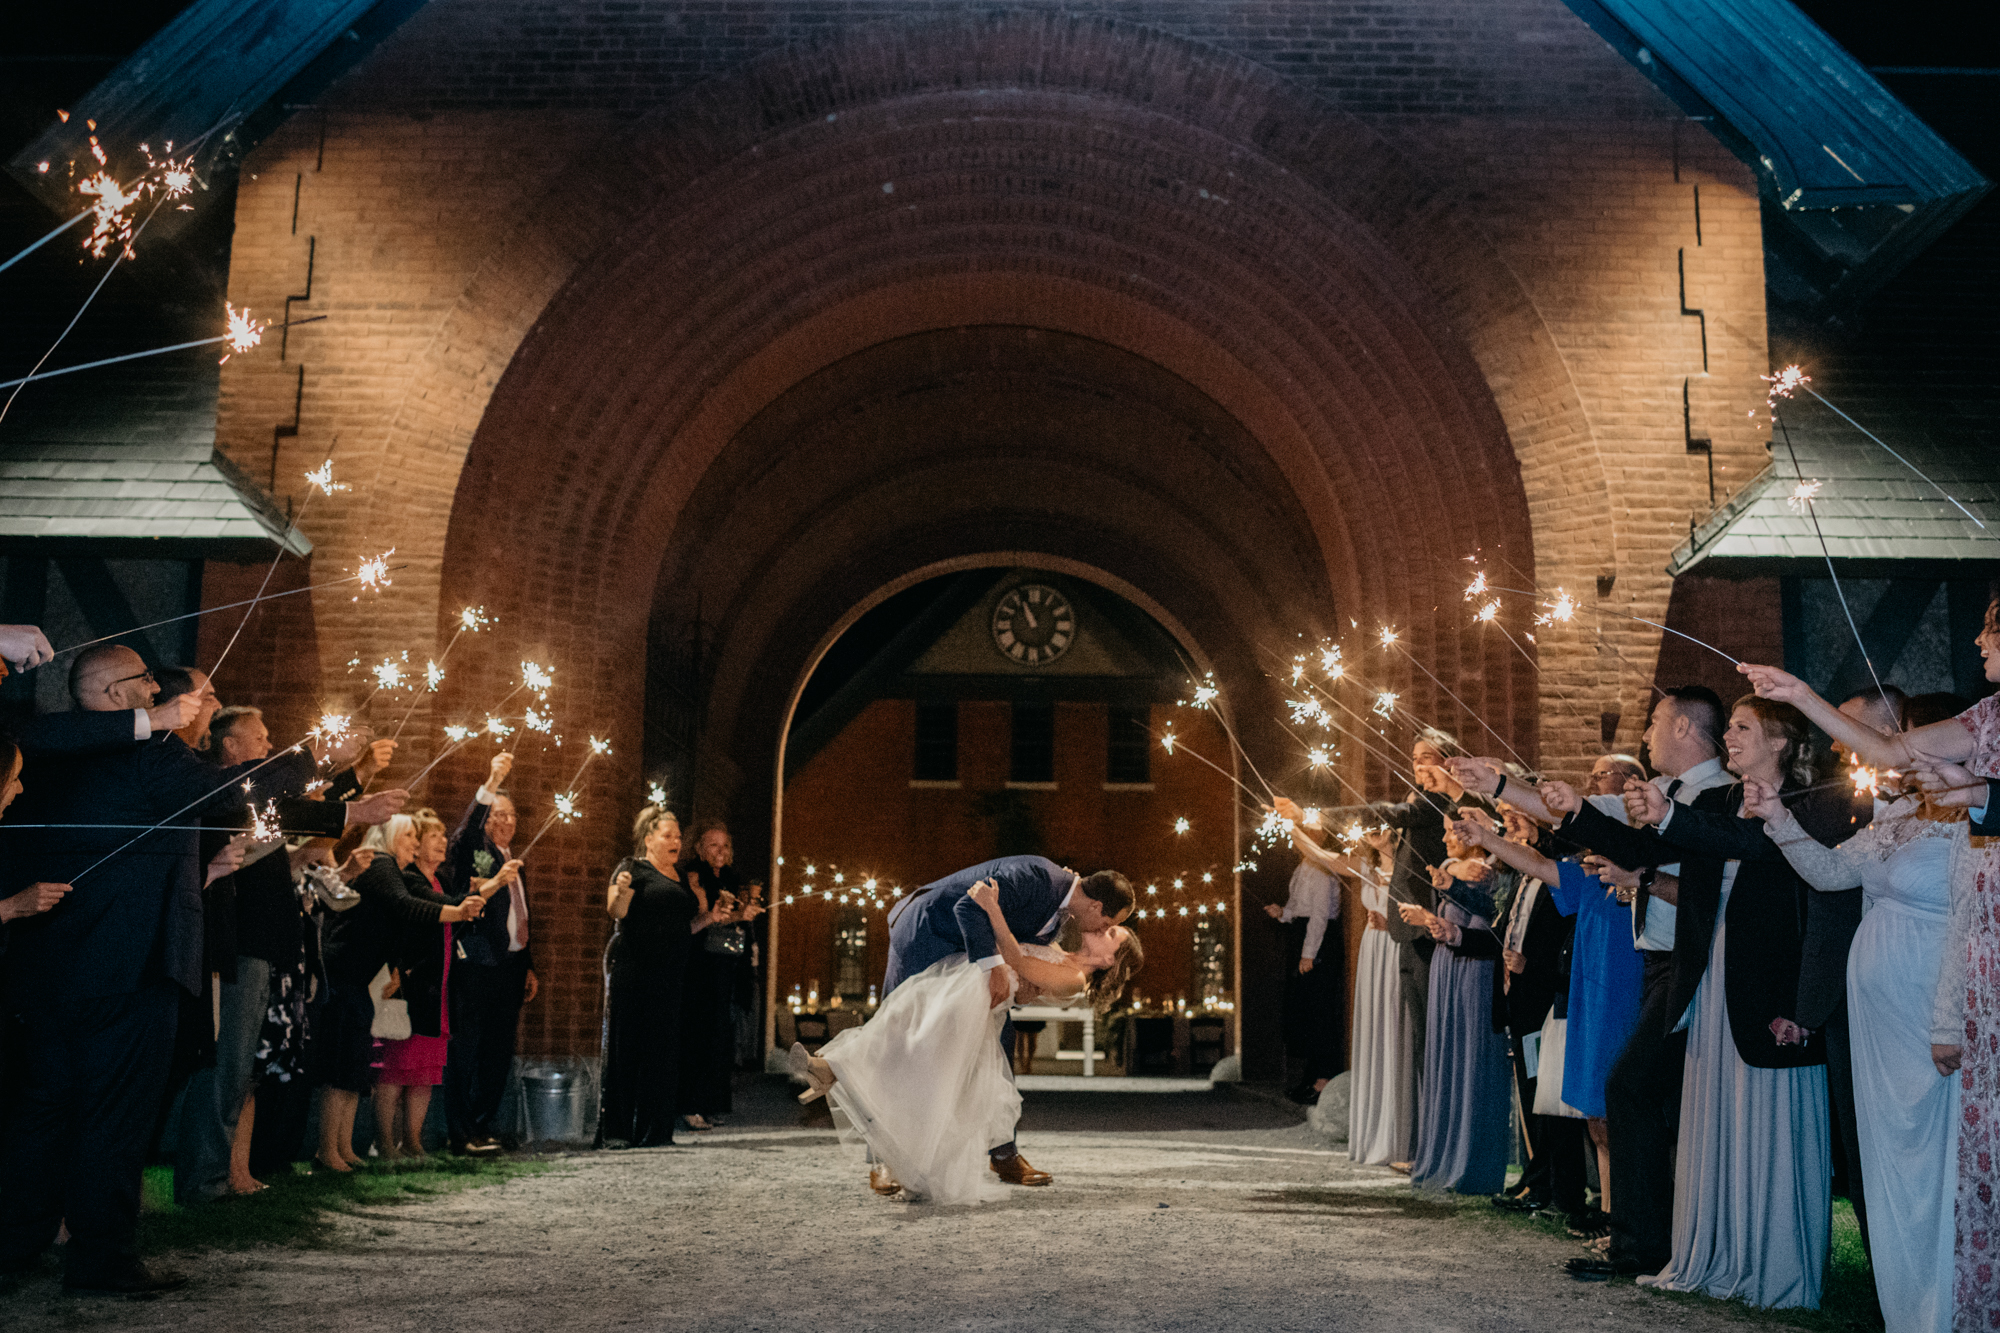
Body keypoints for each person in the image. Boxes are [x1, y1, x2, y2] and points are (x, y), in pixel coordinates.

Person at [1462, 690, 1730, 1282]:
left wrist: (1641, 877)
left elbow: (1708, 887)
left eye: (1656, 722)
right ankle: (1644, 1241)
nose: (1648, 734)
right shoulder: (1671, 797)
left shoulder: (1717, 797)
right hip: (1661, 962)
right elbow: (1579, 816)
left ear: (1684, 725)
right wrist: (1500, 785)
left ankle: (1644, 1241)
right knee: (1636, 1091)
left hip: (1689, 962)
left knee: (1632, 1088)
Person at [1576, 696, 1830, 1310]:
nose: (1730, 738)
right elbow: (1646, 846)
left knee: (1763, 1126)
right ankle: (1714, 1250)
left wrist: (1667, 816)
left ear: (1781, 743)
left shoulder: (1812, 807)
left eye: (1744, 728)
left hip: (1767, 989)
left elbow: (1749, 845)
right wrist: (1563, 808)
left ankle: (1769, 1262)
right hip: (1712, 978)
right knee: (1714, 1119)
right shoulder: (1720, 799)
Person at [1753, 691, 1965, 1333]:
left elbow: (1967, 917)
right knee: (1886, 1157)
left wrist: (1949, 1019)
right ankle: (1905, 1302)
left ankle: (1953, 1297)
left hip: (1927, 1007)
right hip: (1874, 1018)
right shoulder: (1894, 815)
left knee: (1939, 1153)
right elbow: (1831, 876)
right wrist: (1777, 822)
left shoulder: (1966, 818)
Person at [795, 876, 1142, 1204]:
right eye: (1109, 924)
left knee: (918, 1058)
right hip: (966, 979)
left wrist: (992, 908)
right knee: (901, 1024)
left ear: (1110, 959)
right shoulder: (1062, 951)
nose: (1102, 927)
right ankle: (833, 1069)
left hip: (976, 1000)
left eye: (1111, 933)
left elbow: (1015, 958)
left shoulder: (1074, 979)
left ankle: (840, 1075)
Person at [873, 854, 1134, 1194]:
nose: (1101, 930)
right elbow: (969, 909)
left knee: (997, 1050)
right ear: (1097, 907)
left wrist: (1025, 980)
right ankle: (883, 1158)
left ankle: (1003, 1153)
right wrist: (995, 967)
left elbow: (1022, 950)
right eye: (1108, 923)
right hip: (928, 930)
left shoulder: (1059, 917)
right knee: (902, 1042)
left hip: (966, 961)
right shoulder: (1035, 877)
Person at [317, 814, 484, 1173]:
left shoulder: (392, 868)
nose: (413, 841)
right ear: (390, 835)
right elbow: (403, 905)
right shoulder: (381, 863)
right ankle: (327, 1149)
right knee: (342, 1067)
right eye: (408, 834)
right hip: (343, 972)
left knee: (354, 1068)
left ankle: (343, 1148)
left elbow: (408, 907)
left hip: (357, 978)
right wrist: (455, 911)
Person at [1276, 801, 1412, 1161]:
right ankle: (1375, 1127)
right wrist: (1292, 824)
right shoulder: (1366, 865)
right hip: (1372, 948)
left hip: (1395, 945)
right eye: (1368, 828)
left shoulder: (1409, 864)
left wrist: (1394, 922)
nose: (1373, 831)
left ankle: (1402, 1128)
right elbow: (1321, 855)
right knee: (1374, 1026)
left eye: (1380, 825)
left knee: (1398, 1026)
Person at [601, 807, 735, 1148]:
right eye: (668, 835)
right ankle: (618, 1130)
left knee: (662, 1052)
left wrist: (709, 918)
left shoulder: (678, 876)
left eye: (678, 836)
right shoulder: (632, 868)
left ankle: (655, 1130)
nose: (676, 841)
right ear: (648, 838)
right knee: (627, 1047)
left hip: (671, 976)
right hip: (636, 971)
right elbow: (616, 912)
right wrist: (621, 891)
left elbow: (684, 928)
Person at [1394, 810, 1510, 1196]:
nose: (1444, 839)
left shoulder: (1486, 871)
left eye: (1452, 832)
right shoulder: (1451, 866)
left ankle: (1472, 1161)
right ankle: (1444, 1153)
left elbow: (1492, 920)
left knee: (1471, 1059)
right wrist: (1428, 918)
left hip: (1474, 970)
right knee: (1447, 1056)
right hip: (1448, 964)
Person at [443, 751, 532, 1155]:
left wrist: (528, 964)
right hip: (477, 962)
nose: (505, 822)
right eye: (498, 814)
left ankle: (484, 1125)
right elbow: (465, 830)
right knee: (468, 1047)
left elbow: (520, 913)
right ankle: (460, 1131)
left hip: (510, 966)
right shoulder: (473, 848)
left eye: (511, 815)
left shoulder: (514, 859)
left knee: (498, 1050)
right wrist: (492, 782)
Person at [371, 811, 463, 1160]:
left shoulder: (441, 881)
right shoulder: (408, 879)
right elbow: (406, 927)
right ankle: (384, 1142)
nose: (442, 842)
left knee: (424, 1071)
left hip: (436, 989)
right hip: (410, 985)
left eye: (443, 835)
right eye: (433, 836)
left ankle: (412, 1141)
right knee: (395, 1066)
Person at [679, 819, 760, 1132]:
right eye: (713, 844)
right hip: (700, 965)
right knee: (697, 1034)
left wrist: (744, 914)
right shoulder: (693, 875)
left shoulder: (731, 877)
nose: (720, 851)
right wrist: (731, 914)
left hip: (725, 964)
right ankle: (690, 1104)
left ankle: (711, 1103)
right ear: (701, 848)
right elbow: (705, 917)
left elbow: (729, 920)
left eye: (725, 845)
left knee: (719, 1036)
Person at [1265, 846, 1342, 1104]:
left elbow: (1320, 915)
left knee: (1320, 1010)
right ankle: (1311, 1077)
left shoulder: (1322, 868)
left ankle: (1323, 1079)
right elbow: (1300, 908)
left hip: (1319, 942)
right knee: (1306, 1011)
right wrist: (1283, 913)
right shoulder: (1303, 866)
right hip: (1302, 934)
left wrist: (1309, 953)